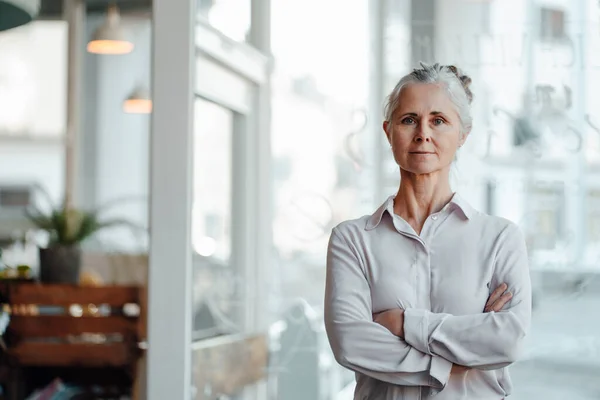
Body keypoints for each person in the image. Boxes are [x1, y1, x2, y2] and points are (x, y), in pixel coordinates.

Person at [324, 63, 531, 400]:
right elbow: (350, 343)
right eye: (409, 120)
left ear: (463, 134)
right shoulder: (352, 239)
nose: (423, 133)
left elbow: (508, 340)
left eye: (439, 121)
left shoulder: (500, 238)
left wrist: (402, 323)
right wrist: (456, 359)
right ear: (388, 131)